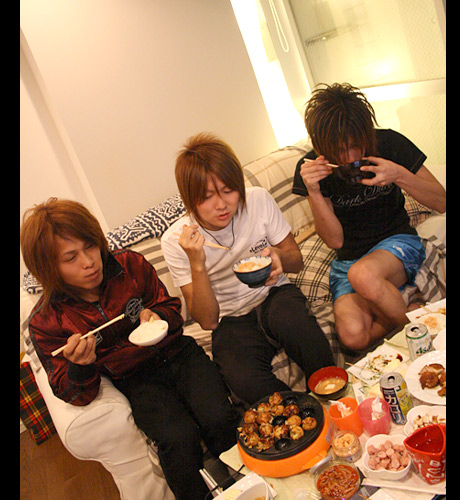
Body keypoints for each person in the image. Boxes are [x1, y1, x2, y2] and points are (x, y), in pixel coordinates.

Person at [20, 198, 240, 500]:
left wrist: (159, 316)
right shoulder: (47, 320)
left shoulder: (129, 265)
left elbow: (170, 308)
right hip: (136, 380)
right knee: (178, 439)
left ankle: (254, 486)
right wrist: (81, 366)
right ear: (49, 269)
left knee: (220, 418)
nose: (88, 262)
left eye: (90, 246)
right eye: (71, 258)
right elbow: (71, 393)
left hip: (181, 354)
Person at [161, 132, 335, 406]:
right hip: (230, 319)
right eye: (207, 197)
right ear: (189, 199)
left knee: (303, 332)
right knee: (246, 382)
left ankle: (335, 399)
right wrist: (197, 263)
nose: (222, 205)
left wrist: (279, 257)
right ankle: (305, 412)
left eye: (229, 190)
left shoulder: (257, 200)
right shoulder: (175, 240)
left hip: (274, 295)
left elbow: (296, 260)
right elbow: (207, 321)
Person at [292, 83, 446, 351]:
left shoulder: (389, 143)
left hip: (398, 244)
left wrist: (399, 174)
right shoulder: (311, 167)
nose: (350, 157)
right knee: (353, 337)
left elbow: (441, 202)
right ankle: (411, 311)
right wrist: (313, 191)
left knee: (362, 275)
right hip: (349, 260)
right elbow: (335, 241)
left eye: (356, 146)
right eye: (338, 150)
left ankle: (423, 342)